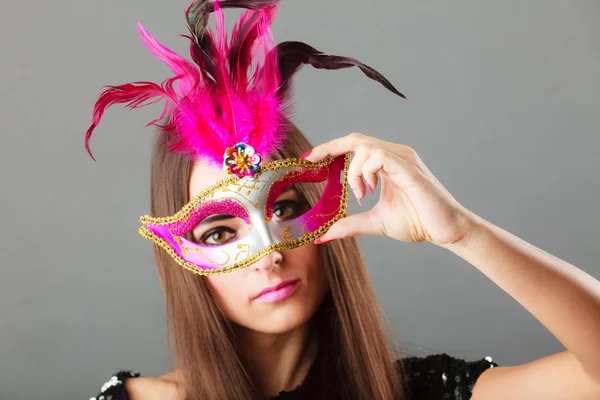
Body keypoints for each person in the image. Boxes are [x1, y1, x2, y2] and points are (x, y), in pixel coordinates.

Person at [86, 1, 600, 399]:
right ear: (180, 257)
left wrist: (463, 233)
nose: (269, 254)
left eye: (285, 209)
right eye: (219, 232)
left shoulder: (415, 392)